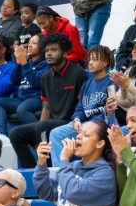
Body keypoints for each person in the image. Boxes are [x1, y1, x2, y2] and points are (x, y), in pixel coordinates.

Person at [9, 34, 87, 168]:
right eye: (46, 51)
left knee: (42, 127)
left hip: (72, 122)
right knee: (16, 134)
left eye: (54, 50)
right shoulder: (46, 76)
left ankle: (49, 169)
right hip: (52, 123)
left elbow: (83, 106)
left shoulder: (78, 73)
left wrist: (40, 129)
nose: (49, 54)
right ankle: (32, 171)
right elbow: (46, 108)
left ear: (64, 53)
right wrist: (37, 132)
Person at [48, 44, 117, 166]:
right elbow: (80, 108)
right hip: (84, 124)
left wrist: (89, 124)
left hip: (100, 125)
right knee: (56, 133)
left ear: (105, 62)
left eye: (95, 59)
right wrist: (77, 119)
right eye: (89, 59)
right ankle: (60, 173)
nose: (90, 62)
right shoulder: (87, 84)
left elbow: (111, 111)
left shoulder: (112, 81)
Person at [0, 34, 46, 134]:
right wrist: (19, 63)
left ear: (42, 47)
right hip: (21, 99)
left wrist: (24, 64)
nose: (29, 45)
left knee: (22, 109)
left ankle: (40, 135)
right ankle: (2, 136)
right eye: (29, 42)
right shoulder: (26, 61)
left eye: (34, 43)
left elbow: (35, 82)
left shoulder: (45, 64)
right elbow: (13, 80)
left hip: (37, 98)